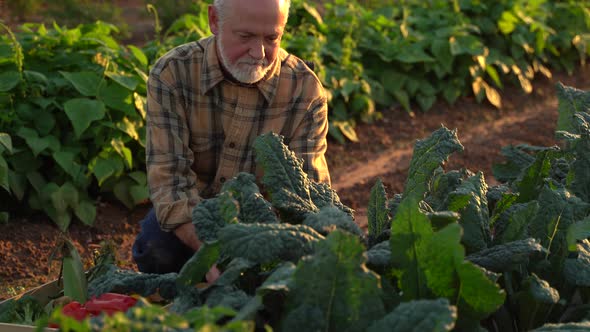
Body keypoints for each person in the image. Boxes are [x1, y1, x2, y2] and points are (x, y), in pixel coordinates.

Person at [132, 0, 331, 279]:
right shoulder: (173, 74)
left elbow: (308, 198)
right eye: (246, 36)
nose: (258, 52)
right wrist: (213, 256)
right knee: (156, 250)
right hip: (195, 215)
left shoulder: (304, 90)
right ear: (214, 21)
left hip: (264, 228)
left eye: (271, 37)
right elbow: (170, 184)